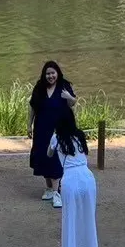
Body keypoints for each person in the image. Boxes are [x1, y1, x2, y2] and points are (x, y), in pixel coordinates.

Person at [48, 106, 100, 247]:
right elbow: (85, 154)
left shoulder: (56, 137)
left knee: (69, 217)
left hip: (70, 178)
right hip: (87, 177)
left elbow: (49, 154)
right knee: (86, 216)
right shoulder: (80, 135)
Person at [28, 60, 76, 207]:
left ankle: (56, 193)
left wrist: (69, 97)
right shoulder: (39, 88)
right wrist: (29, 125)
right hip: (42, 128)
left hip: (59, 128)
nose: (50, 76)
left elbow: (72, 103)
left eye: (53, 73)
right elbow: (32, 108)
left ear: (57, 73)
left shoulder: (64, 85)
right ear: (44, 74)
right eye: (48, 73)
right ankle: (49, 187)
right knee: (42, 156)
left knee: (55, 157)